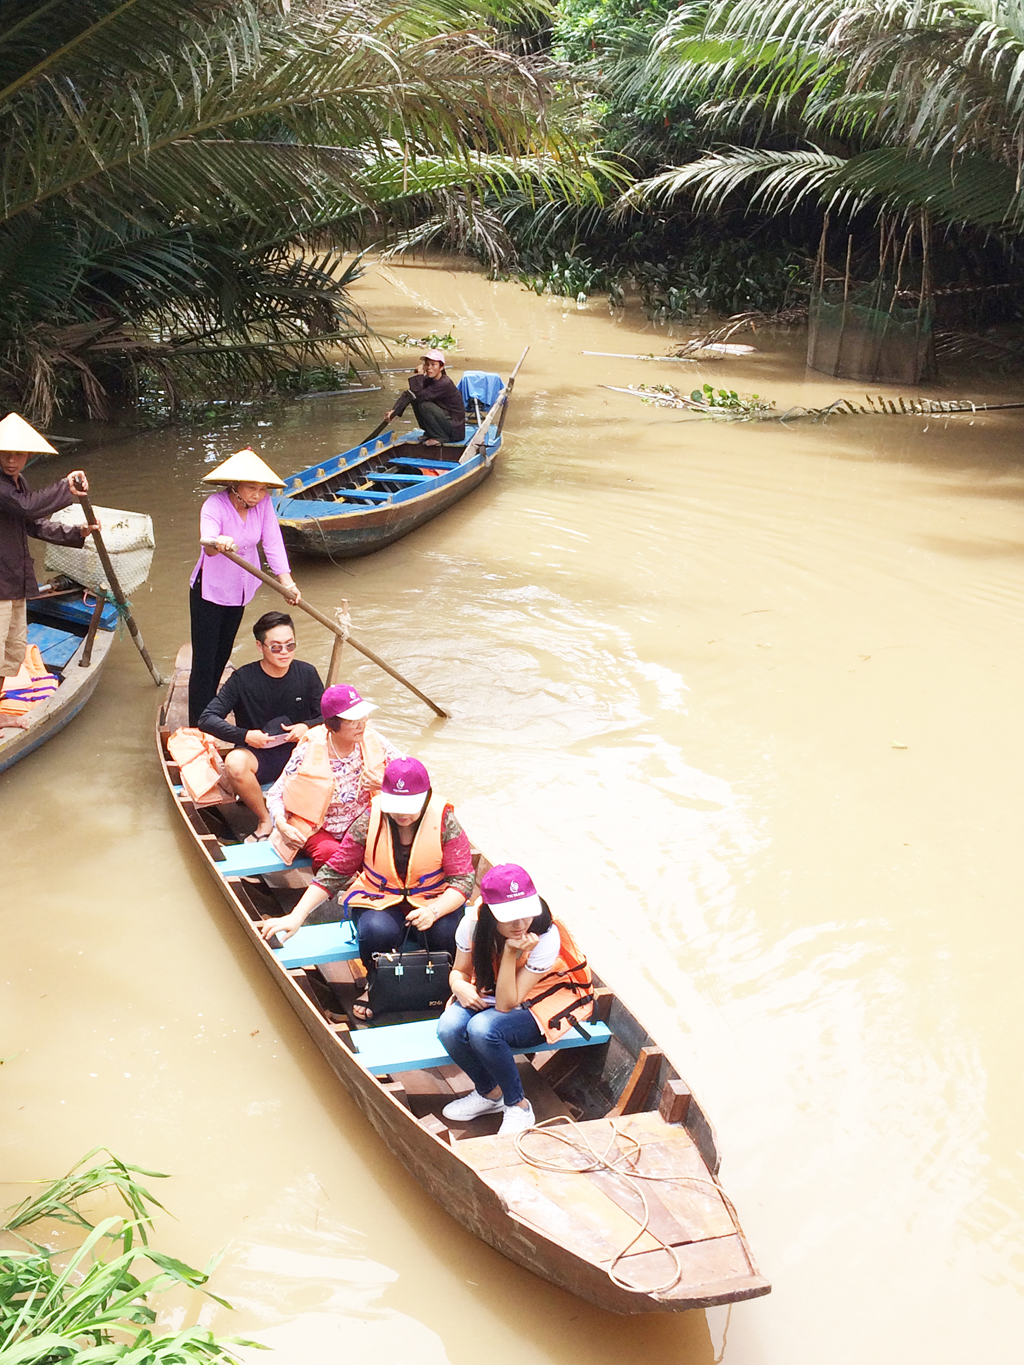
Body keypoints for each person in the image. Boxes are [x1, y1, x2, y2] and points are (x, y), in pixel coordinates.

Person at [259, 757, 473, 1019]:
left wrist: (435, 911)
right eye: (396, 806)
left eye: (410, 807)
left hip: (433, 901)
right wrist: (297, 915)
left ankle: (447, 987)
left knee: (450, 931)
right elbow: (336, 870)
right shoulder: (369, 819)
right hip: (380, 900)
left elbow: (462, 880)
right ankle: (376, 984)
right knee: (375, 931)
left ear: (426, 797)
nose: (403, 814)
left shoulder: (445, 821)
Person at [437, 863, 594, 1137]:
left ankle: (518, 1105)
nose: (520, 925)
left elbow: (506, 1004)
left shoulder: (545, 934)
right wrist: (458, 986)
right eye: (509, 917)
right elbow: (460, 972)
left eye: (525, 914)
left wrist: (510, 952)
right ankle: (490, 1094)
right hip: (499, 992)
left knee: (483, 1030)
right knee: (448, 1027)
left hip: (539, 1000)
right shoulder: (471, 925)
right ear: (489, 913)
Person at [188, 447, 301, 725]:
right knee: (205, 660)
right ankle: (199, 724)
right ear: (235, 486)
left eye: (263, 489)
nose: (258, 494)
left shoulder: (262, 506)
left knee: (223, 653)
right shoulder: (214, 505)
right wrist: (219, 542)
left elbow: (273, 543)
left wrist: (287, 583)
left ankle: (211, 709)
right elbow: (208, 543)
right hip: (209, 591)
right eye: (252, 488)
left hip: (240, 591)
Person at [0, 412, 97, 729]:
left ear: (28, 457)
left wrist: (76, 533)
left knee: (9, 653)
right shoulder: (2, 488)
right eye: (6, 454)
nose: (12, 461)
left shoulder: (17, 483)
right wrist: (65, 487)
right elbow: (27, 506)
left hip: (14, 580)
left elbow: (33, 522)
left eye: (19, 455)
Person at [198, 611, 323, 838]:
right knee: (235, 762)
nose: (284, 652)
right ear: (260, 646)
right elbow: (207, 718)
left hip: (299, 754)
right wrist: (246, 736)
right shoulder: (243, 679)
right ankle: (265, 819)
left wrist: (306, 726)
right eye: (276, 647)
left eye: (290, 645)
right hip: (259, 755)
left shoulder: (307, 673)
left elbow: (327, 717)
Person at [267, 683, 403, 870]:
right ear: (333, 724)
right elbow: (275, 793)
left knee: (390, 845)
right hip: (317, 826)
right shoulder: (309, 750)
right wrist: (282, 825)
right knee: (330, 854)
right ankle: (331, 893)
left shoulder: (372, 739)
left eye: (363, 717)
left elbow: (412, 776)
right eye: (352, 720)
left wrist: (386, 784)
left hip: (359, 822)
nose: (360, 724)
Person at [385, 348, 465, 447]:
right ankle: (430, 433)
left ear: (441, 367)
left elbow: (421, 396)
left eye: (433, 364)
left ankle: (440, 437)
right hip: (445, 420)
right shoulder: (429, 380)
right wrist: (394, 411)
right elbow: (410, 394)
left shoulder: (444, 383)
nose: (429, 368)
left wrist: (419, 376)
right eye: (427, 364)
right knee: (416, 400)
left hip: (454, 429)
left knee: (424, 405)